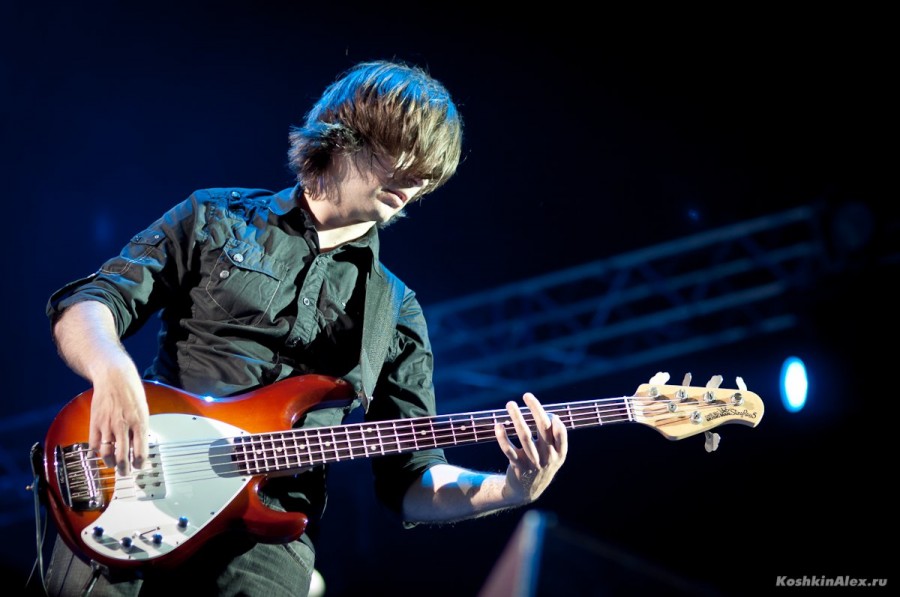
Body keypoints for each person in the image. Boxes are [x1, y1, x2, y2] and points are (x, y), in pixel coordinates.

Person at [40, 59, 568, 596]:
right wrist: (112, 372)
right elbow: (92, 302)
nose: (418, 179)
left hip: (266, 540)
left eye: (430, 171)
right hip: (132, 482)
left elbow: (411, 477)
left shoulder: (396, 310)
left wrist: (510, 489)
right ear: (344, 134)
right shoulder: (216, 217)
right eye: (404, 152)